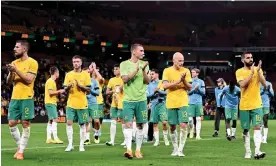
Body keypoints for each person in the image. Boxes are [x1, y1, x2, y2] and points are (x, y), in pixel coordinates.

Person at [6, 40, 38, 160]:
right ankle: (20, 146)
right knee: (11, 123)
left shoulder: (32, 63)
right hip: (15, 97)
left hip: (27, 97)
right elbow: (9, 82)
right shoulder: (14, 63)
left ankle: (21, 152)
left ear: (24, 49)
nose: (14, 49)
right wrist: (10, 72)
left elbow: (29, 80)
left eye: (17, 47)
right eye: (15, 46)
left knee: (25, 123)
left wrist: (16, 70)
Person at [120, 43, 150, 159]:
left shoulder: (145, 64)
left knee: (140, 125)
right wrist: (137, 69)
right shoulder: (124, 64)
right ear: (134, 52)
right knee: (128, 124)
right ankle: (128, 150)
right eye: (141, 51)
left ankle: (138, 150)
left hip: (141, 100)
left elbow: (147, 81)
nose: (143, 53)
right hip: (128, 100)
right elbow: (125, 79)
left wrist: (142, 70)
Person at [235, 52, 266, 159]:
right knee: (245, 130)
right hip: (244, 105)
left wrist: (259, 72)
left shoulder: (258, 70)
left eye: (251, 57)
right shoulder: (239, 71)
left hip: (257, 104)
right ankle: (248, 152)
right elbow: (242, 85)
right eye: (248, 58)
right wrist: (252, 73)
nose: (250, 59)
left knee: (257, 127)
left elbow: (265, 84)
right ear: (243, 60)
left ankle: (257, 151)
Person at [162, 52, 192, 157]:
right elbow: (165, 86)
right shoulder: (167, 71)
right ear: (173, 60)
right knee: (172, 126)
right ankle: (174, 148)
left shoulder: (186, 71)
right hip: (171, 102)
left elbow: (189, 87)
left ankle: (180, 149)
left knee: (183, 125)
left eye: (183, 60)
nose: (181, 62)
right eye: (179, 60)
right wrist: (178, 82)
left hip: (183, 101)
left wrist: (183, 81)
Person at [63, 55, 91, 152]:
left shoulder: (86, 75)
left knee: (82, 124)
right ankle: (70, 144)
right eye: (74, 61)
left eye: (77, 61)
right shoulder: (68, 75)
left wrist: (80, 86)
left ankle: (81, 145)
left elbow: (89, 90)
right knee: (69, 123)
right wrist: (67, 87)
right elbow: (64, 89)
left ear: (81, 63)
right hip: (71, 103)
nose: (76, 63)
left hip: (82, 104)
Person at [147, 69, 169, 146]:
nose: (151, 76)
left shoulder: (163, 82)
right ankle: (157, 140)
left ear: (157, 74)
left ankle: (166, 138)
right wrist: (154, 93)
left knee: (164, 122)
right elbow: (147, 95)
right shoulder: (149, 85)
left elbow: (166, 93)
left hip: (162, 104)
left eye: (152, 74)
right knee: (155, 124)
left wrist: (158, 91)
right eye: (150, 74)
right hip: (153, 105)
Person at [44, 66, 65, 144]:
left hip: (50, 102)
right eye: (58, 72)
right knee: (55, 119)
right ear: (56, 73)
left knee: (50, 120)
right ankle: (55, 138)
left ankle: (49, 138)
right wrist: (60, 91)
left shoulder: (51, 81)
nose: (58, 74)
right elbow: (50, 93)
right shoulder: (51, 81)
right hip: (50, 103)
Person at [105, 64, 125, 146]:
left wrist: (120, 88)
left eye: (116, 69)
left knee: (123, 122)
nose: (115, 70)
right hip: (114, 104)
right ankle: (112, 141)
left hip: (122, 103)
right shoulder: (111, 80)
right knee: (113, 122)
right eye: (114, 69)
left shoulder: (124, 79)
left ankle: (125, 140)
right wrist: (113, 91)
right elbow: (107, 92)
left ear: (121, 70)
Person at [83, 66, 100, 145]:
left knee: (96, 121)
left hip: (93, 104)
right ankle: (87, 139)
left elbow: (98, 93)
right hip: (84, 104)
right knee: (87, 121)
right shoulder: (81, 82)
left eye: (88, 72)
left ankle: (96, 134)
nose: (87, 73)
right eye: (85, 72)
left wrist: (90, 90)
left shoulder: (94, 81)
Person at [187, 68, 205, 140]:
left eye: (193, 72)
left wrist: (198, 89)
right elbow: (187, 93)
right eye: (192, 72)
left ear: (197, 73)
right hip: (190, 102)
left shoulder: (201, 82)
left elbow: (203, 93)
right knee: (190, 120)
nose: (192, 73)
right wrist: (194, 89)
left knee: (198, 119)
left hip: (198, 102)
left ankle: (198, 135)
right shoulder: (189, 81)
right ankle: (191, 130)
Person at [91, 63, 105, 144]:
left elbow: (101, 79)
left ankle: (97, 131)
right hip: (92, 102)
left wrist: (95, 69)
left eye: (97, 70)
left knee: (100, 118)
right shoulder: (89, 79)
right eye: (94, 70)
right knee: (95, 119)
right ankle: (96, 134)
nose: (95, 72)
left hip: (99, 102)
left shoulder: (99, 80)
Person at [260, 71, 274, 144]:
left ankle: (264, 138)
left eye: (264, 75)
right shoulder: (257, 84)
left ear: (265, 76)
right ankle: (260, 137)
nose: (263, 76)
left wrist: (268, 90)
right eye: (262, 75)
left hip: (266, 104)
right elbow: (256, 94)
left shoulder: (269, 84)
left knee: (265, 120)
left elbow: (272, 95)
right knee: (259, 122)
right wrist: (263, 90)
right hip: (258, 104)